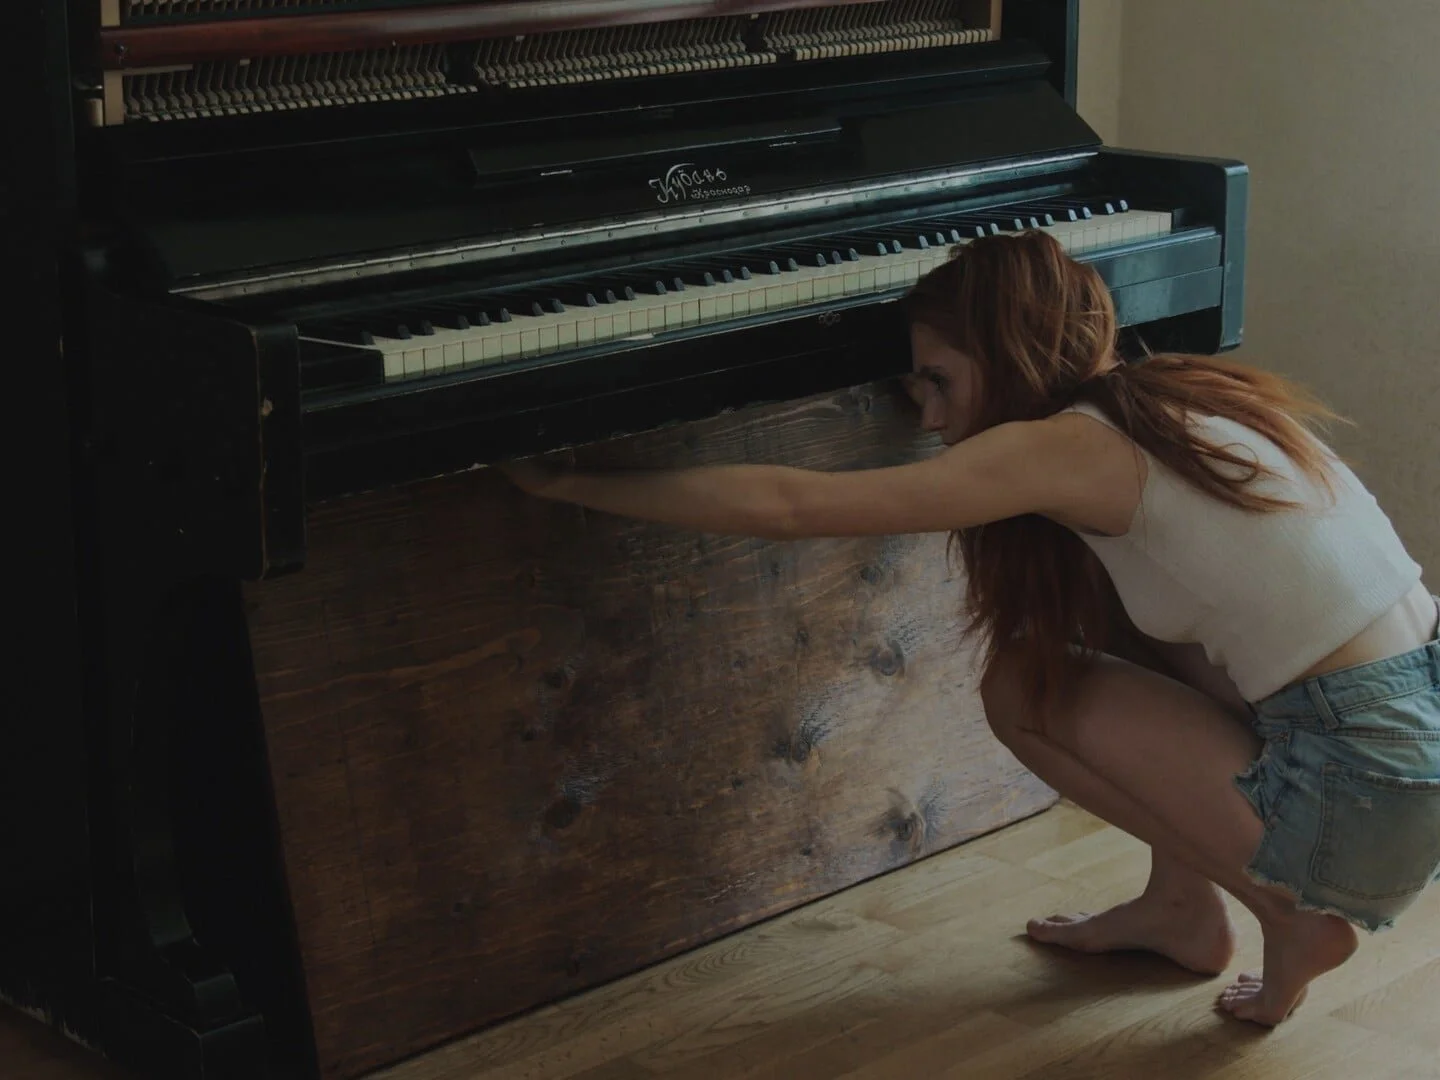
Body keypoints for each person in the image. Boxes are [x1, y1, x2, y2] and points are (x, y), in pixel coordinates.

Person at [501, 229, 1440, 1027]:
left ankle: (1291, 917)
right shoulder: (1183, 399)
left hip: (1358, 786)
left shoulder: (1067, 446)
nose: (936, 421)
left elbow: (793, 502)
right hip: (1406, 746)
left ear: (1007, 348)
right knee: (1141, 630)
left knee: (1022, 689)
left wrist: (573, 482)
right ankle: (1179, 910)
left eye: (940, 382)